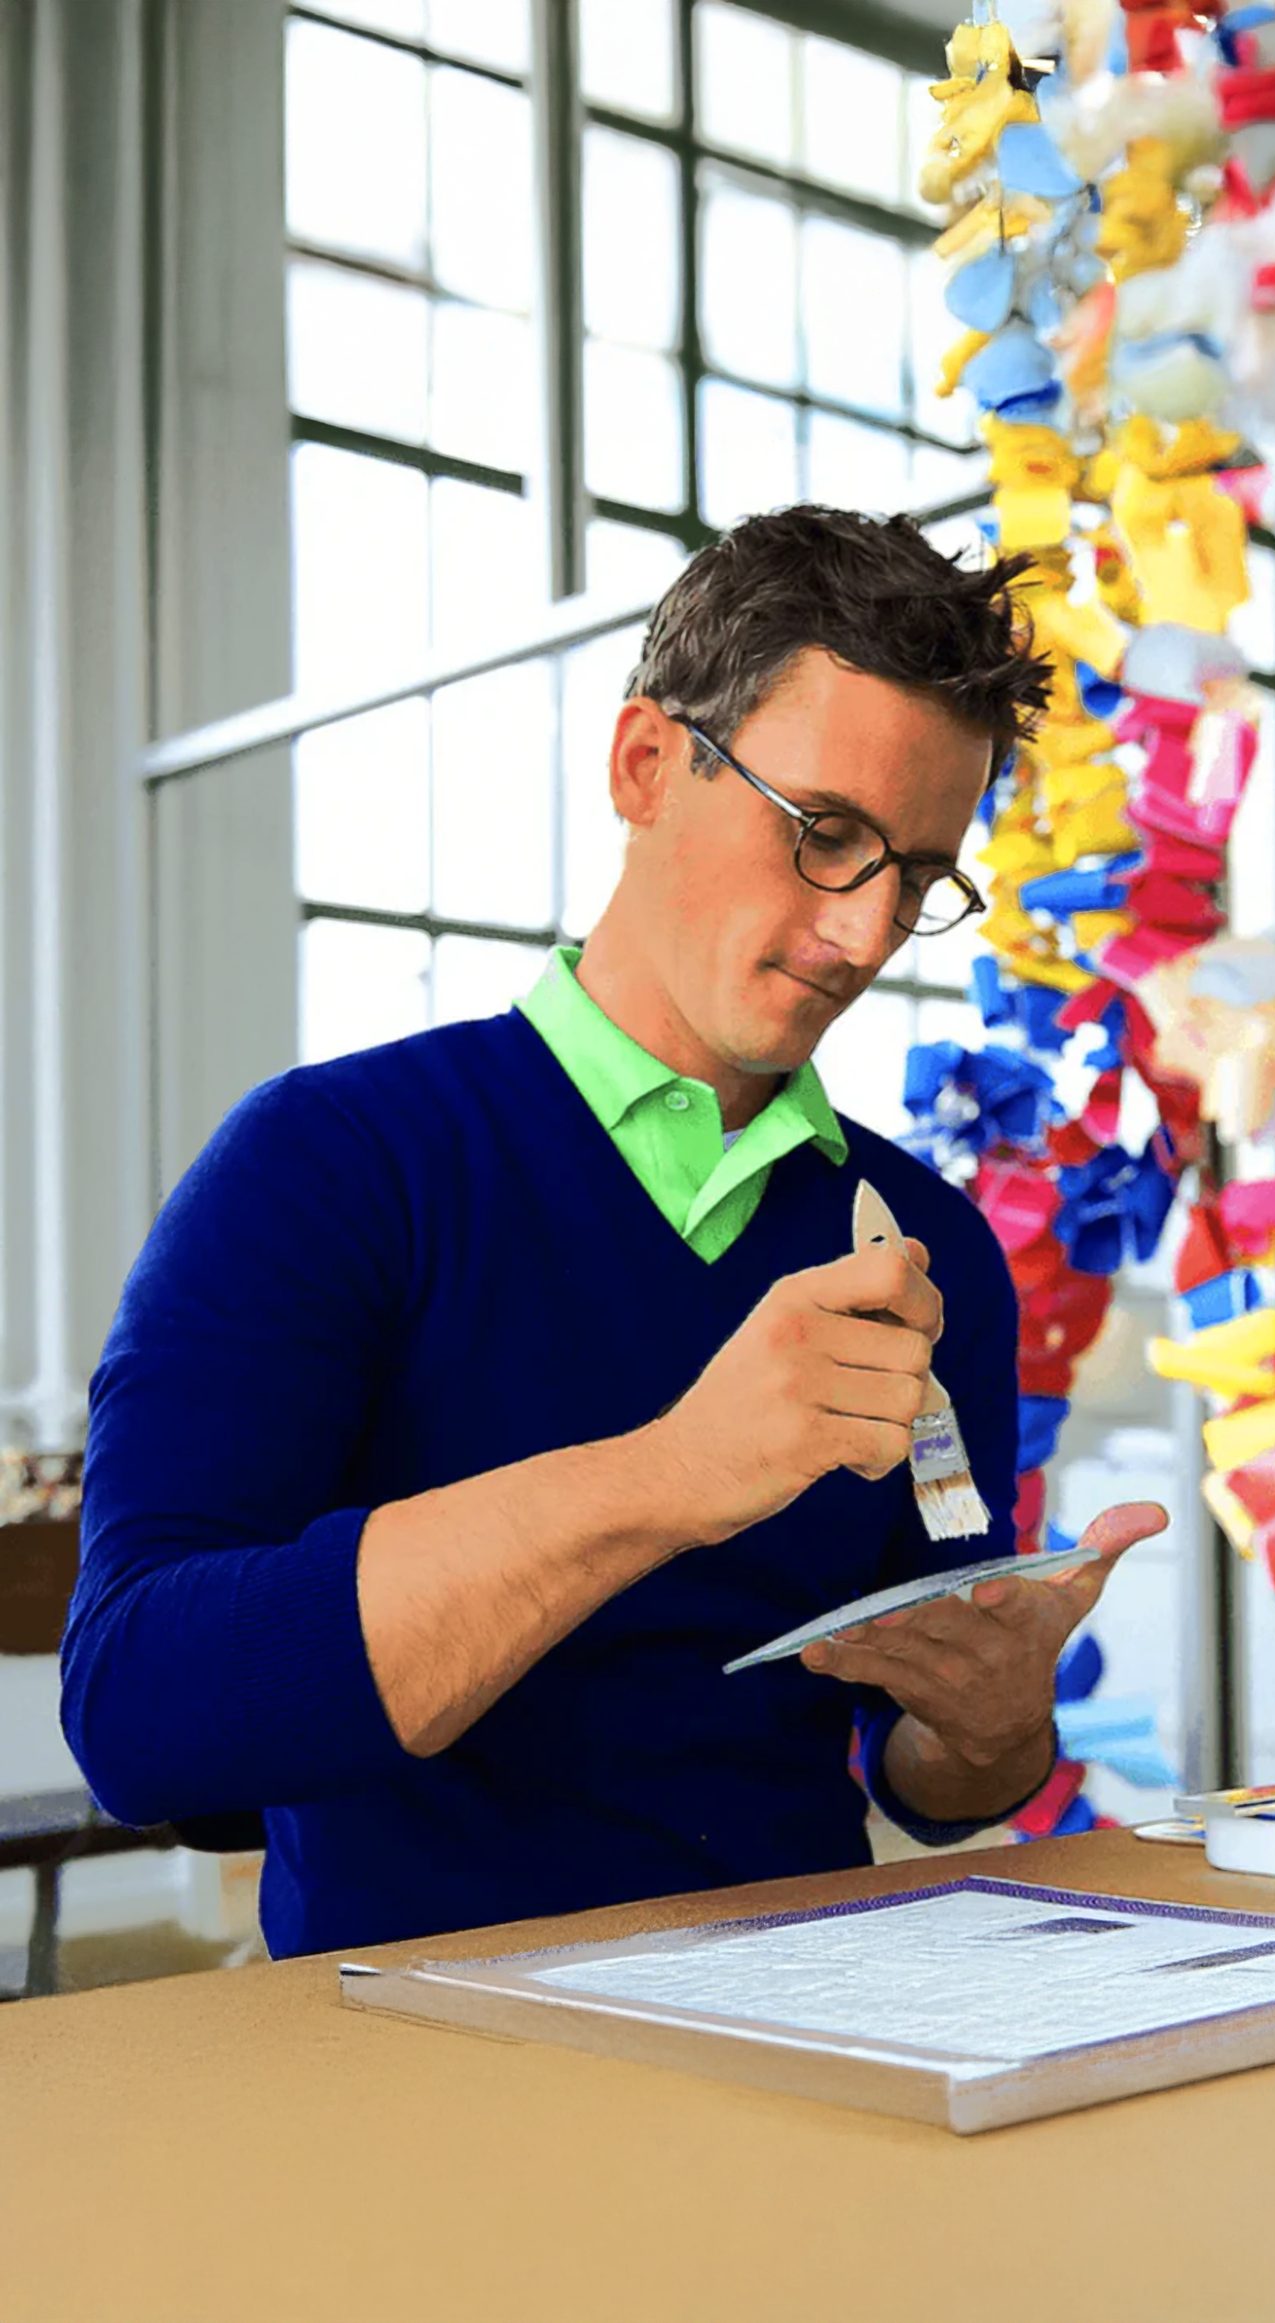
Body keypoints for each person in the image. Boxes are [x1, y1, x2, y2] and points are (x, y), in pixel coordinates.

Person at [62, 507, 1166, 1957]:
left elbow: (932, 1773)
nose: (863, 934)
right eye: (825, 833)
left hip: (827, 2018)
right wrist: (674, 1473)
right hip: (419, 2054)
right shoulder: (329, 1166)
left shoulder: (931, 1245)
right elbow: (143, 1719)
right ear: (648, 764)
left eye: (918, 874)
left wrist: (990, 1721)